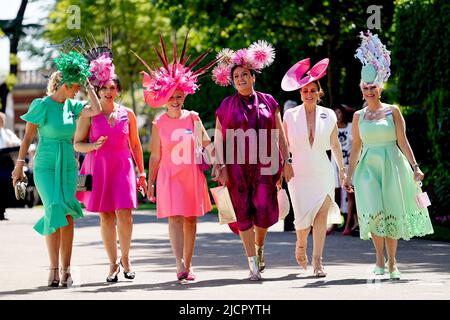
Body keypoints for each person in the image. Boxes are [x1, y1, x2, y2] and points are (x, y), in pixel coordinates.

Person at [345, 31, 433, 280]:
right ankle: (378, 260)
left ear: (380, 88)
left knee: (392, 210)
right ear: (361, 90)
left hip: (393, 164)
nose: (369, 91)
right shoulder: (357, 117)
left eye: (373, 87)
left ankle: (393, 262)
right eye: (365, 88)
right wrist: (348, 175)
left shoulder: (392, 112)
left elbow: (403, 141)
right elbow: (356, 148)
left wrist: (415, 166)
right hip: (367, 169)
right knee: (374, 212)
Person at [11, 50, 101, 287]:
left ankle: (66, 270)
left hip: (68, 166)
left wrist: (90, 85)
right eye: (76, 86)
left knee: (67, 214)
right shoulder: (41, 105)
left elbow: (96, 110)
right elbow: (28, 137)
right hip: (45, 165)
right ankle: (52, 268)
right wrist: (19, 166)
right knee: (53, 207)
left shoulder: (73, 106)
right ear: (66, 84)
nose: (77, 90)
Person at [138, 33, 217, 282]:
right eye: (171, 96)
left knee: (191, 219)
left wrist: (220, 166)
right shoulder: (158, 122)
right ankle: (178, 263)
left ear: (185, 95)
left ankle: (189, 264)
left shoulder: (193, 117)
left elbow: (207, 143)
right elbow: (155, 156)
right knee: (174, 218)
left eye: (179, 95)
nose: (175, 100)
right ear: (164, 98)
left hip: (191, 173)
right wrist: (150, 183)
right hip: (169, 174)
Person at [212, 41, 293, 281]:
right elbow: (218, 139)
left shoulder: (269, 101)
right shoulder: (225, 105)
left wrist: (286, 160)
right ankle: (252, 264)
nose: (240, 79)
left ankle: (259, 247)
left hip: (265, 165)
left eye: (244, 75)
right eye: (236, 76)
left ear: (253, 77)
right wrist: (220, 166)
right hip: (236, 168)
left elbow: (279, 134)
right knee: (242, 213)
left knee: (264, 209)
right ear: (231, 80)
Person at [75, 35, 146, 282]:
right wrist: (93, 145)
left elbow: (135, 144)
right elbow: (77, 144)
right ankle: (112, 263)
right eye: (104, 87)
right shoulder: (88, 114)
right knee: (105, 215)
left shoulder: (128, 113)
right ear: (97, 89)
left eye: (112, 87)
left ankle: (126, 259)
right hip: (97, 167)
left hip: (122, 166)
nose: (108, 91)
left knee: (125, 213)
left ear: (118, 89)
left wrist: (142, 173)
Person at [281, 58, 345, 277]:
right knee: (301, 219)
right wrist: (285, 163)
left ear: (319, 93)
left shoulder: (328, 115)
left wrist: (343, 171)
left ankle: (318, 261)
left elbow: (335, 144)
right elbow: (283, 144)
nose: (308, 94)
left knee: (320, 216)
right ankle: (300, 244)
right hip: (298, 172)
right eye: (305, 90)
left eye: (312, 90)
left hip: (323, 171)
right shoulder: (289, 115)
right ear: (300, 93)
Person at [327, 104, 358, 236]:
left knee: (351, 195)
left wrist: (348, 109)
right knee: (336, 195)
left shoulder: (352, 126)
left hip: (349, 165)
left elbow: (361, 112)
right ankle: (335, 223)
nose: (338, 115)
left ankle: (348, 225)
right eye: (335, 113)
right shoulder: (331, 128)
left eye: (340, 112)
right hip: (335, 165)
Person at [0, 111, 21, 220]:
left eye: (1, 120)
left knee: (5, 189)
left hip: (6, 164)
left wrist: (11, 144)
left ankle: (2, 211)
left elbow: (18, 143)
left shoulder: (7, 133)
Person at [281, 101, 297, 232]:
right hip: (283, 162)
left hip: (298, 161)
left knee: (296, 192)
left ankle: (297, 221)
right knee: (286, 191)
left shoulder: (299, 124)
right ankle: (287, 222)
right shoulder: (279, 125)